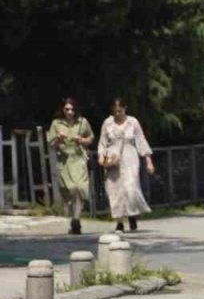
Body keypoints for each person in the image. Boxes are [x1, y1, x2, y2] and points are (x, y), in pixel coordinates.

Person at [97, 98, 154, 233]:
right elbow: (102, 142)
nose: (117, 113)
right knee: (115, 190)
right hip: (113, 158)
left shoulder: (132, 122)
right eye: (115, 111)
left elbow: (141, 141)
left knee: (130, 187)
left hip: (130, 157)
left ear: (125, 109)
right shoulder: (108, 123)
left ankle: (132, 215)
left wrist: (148, 161)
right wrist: (101, 156)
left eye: (120, 110)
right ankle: (119, 222)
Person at [47, 97, 94, 235]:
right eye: (67, 109)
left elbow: (91, 138)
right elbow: (51, 145)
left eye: (72, 109)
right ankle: (74, 216)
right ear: (63, 109)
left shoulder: (82, 122)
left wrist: (82, 140)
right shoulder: (56, 123)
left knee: (79, 188)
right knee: (69, 190)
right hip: (64, 161)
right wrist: (58, 139)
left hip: (79, 159)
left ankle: (76, 220)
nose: (70, 112)